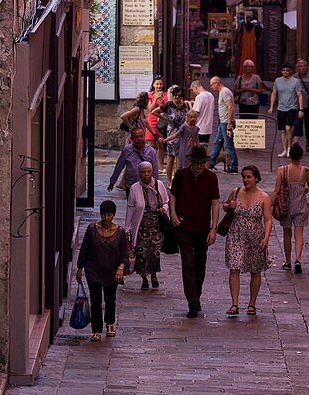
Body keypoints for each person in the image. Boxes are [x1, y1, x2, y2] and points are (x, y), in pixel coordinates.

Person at [169, 145, 221, 318]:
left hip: (202, 227)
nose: (199, 166)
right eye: (196, 163)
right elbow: (173, 195)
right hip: (184, 225)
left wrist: (214, 228)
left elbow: (215, 202)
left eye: (202, 163)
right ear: (191, 162)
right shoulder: (182, 175)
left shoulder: (211, 178)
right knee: (188, 262)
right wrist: (173, 213)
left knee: (200, 263)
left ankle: (196, 295)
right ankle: (191, 301)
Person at [76, 200, 131, 341]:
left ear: (113, 215)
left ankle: (110, 323)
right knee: (95, 300)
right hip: (93, 270)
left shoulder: (119, 232)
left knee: (110, 298)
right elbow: (84, 249)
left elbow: (125, 254)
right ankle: (96, 330)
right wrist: (80, 268)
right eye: (103, 215)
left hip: (112, 271)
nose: (106, 218)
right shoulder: (92, 229)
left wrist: (120, 268)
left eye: (109, 215)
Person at [223, 165, 272, 319]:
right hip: (236, 235)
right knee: (234, 267)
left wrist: (266, 238)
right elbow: (225, 205)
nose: (246, 180)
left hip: (255, 236)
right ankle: (235, 303)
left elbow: (268, 219)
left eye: (249, 177)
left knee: (255, 270)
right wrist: (228, 206)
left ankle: (252, 303)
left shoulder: (264, 197)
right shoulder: (236, 192)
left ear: (256, 178)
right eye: (244, 177)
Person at [125, 161, 169, 291]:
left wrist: (164, 209)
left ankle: (154, 275)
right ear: (139, 173)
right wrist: (128, 228)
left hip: (156, 226)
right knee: (142, 253)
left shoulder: (159, 185)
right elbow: (131, 209)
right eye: (143, 172)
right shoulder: (134, 189)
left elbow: (166, 201)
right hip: (142, 226)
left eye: (148, 172)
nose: (146, 174)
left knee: (155, 252)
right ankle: (144, 278)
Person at [271, 143, 309, 274]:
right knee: (299, 233)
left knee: (287, 234)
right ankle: (298, 259)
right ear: (301, 156)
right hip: (300, 204)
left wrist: (268, 205)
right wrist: (302, 190)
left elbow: (276, 190)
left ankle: (287, 261)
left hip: (286, 205)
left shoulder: (282, 170)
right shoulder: (306, 171)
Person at [108, 127, 158, 198]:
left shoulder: (151, 152)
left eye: (141, 136)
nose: (139, 139)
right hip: (130, 185)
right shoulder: (127, 150)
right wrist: (112, 181)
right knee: (132, 207)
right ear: (132, 139)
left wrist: (156, 185)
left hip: (146, 186)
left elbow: (155, 170)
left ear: (144, 136)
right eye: (136, 137)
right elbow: (119, 166)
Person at [269, 63, 304, 159]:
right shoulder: (278, 81)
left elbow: (299, 95)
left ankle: (289, 147)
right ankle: (284, 149)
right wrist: (271, 106)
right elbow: (274, 93)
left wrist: (301, 109)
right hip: (281, 108)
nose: (285, 72)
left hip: (292, 107)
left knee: (288, 128)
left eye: (287, 70)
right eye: (283, 70)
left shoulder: (296, 82)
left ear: (291, 71)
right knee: (282, 130)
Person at [207, 76, 238, 174]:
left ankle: (234, 165)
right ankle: (210, 164)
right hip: (223, 122)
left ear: (216, 83)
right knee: (218, 142)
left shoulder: (224, 92)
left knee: (228, 145)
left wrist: (229, 123)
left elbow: (230, 107)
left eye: (212, 85)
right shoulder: (223, 92)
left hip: (225, 122)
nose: (212, 88)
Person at [162, 86, 188, 184]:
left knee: (180, 158)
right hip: (172, 132)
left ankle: (178, 180)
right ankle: (169, 181)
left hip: (182, 133)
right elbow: (154, 111)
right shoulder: (169, 105)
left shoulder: (185, 105)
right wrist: (166, 119)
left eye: (179, 95)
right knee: (171, 157)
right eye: (175, 95)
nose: (177, 97)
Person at [292, 58, 309, 153]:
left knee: (308, 125)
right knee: (297, 124)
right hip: (297, 105)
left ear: (307, 67)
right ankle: (296, 144)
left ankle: (308, 143)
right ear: (298, 68)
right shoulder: (294, 77)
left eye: (304, 66)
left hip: (308, 105)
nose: (302, 68)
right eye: (300, 66)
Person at [146, 77, 168, 165]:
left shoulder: (166, 95)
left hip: (161, 122)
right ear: (153, 85)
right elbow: (150, 109)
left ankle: (160, 165)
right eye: (157, 84)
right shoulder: (149, 95)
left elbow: (167, 109)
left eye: (161, 84)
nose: (159, 86)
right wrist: (155, 98)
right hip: (151, 121)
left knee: (161, 144)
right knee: (150, 144)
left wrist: (162, 102)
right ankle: (149, 165)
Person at [190, 79, 215, 147]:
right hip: (208, 127)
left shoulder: (199, 97)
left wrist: (189, 104)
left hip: (200, 127)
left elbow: (194, 113)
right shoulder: (211, 95)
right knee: (205, 146)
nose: (193, 92)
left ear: (196, 87)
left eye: (193, 90)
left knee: (198, 147)